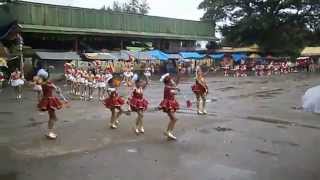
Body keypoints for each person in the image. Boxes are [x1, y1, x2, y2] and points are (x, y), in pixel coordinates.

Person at [38, 75, 65, 139]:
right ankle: (50, 132)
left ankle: (50, 131)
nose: (39, 80)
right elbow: (58, 90)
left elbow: (42, 93)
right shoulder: (48, 84)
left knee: (52, 117)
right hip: (50, 101)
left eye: (40, 78)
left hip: (46, 100)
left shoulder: (43, 84)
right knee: (52, 117)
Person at [159, 73, 180, 140]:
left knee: (173, 119)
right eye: (171, 80)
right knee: (174, 119)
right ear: (168, 81)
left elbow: (174, 87)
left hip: (170, 104)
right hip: (168, 105)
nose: (172, 81)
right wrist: (176, 88)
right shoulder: (167, 87)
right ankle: (168, 132)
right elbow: (172, 88)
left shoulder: (169, 87)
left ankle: (168, 133)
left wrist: (179, 76)